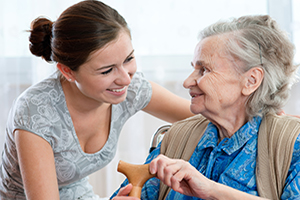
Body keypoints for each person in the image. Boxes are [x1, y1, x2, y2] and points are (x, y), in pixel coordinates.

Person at [0, 1, 194, 199]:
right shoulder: (35, 112)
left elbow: (202, 115)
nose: (126, 79)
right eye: (107, 70)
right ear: (67, 71)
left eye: (128, 59)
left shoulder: (130, 88)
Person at [111, 15, 300, 200]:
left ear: (251, 81)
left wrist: (211, 191)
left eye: (204, 70)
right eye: (194, 68)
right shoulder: (179, 137)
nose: (187, 82)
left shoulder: (291, 144)